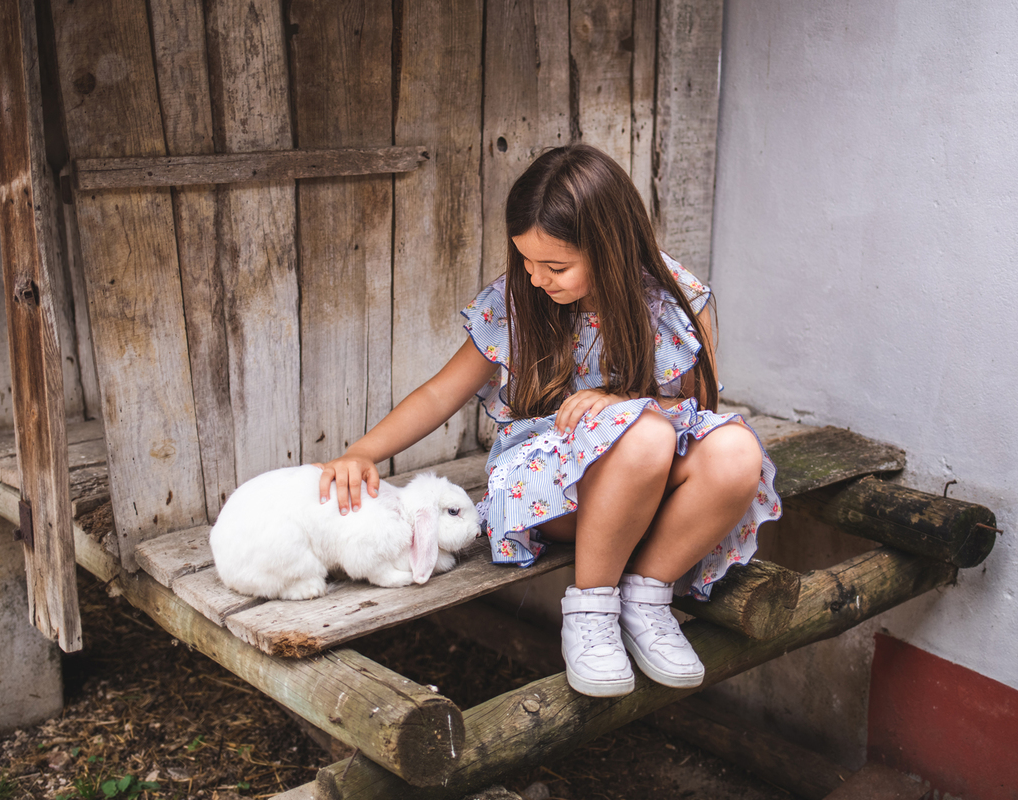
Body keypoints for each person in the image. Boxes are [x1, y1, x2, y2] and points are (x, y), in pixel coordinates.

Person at [317, 144, 782, 698]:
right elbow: (442, 391)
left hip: (649, 477)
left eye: (555, 266)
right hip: (556, 487)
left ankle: (645, 597)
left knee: (734, 451)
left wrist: (625, 403)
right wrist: (362, 452)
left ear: (610, 247)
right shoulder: (519, 301)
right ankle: (589, 614)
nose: (537, 278)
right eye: (526, 261)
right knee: (647, 436)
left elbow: (701, 408)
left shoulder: (677, 300)